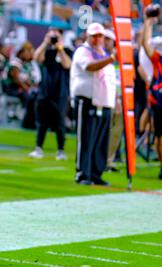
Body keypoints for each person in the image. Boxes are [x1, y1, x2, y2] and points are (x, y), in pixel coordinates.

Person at [70, 22, 116, 186]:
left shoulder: (102, 53)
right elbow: (89, 66)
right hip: (87, 100)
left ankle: (96, 172)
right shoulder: (83, 52)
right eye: (94, 36)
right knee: (86, 138)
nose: (97, 39)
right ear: (88, 36)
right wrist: (110, 59)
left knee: (100, 140)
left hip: (103, 102)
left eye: (100, 36)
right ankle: (82, 173)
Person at [30, 27, 72, 160]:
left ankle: (61, 150)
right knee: (42, 122)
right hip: (45, 91)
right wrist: (45, 43)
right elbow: (36, 58)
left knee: (60, 123)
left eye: (56, 36)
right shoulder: (47, 51)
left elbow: (67, 65)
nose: (54, 38)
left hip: (61, 92)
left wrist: (60, 48)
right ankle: (38, 148)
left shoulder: (68, 51)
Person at [142, 14, 162, 180]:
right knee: (159, 136)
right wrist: (147, 24)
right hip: (159, 101)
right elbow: (146, 44)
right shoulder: (158, 59)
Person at [104, 29, 123, 172]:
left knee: (116, 132)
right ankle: (101, 160)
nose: (105, 42)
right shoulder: (99, 55)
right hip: (106, 97)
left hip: (121, 98)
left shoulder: (119, 57)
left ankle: (108, 161)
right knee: (104, 130)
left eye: (108, 39)